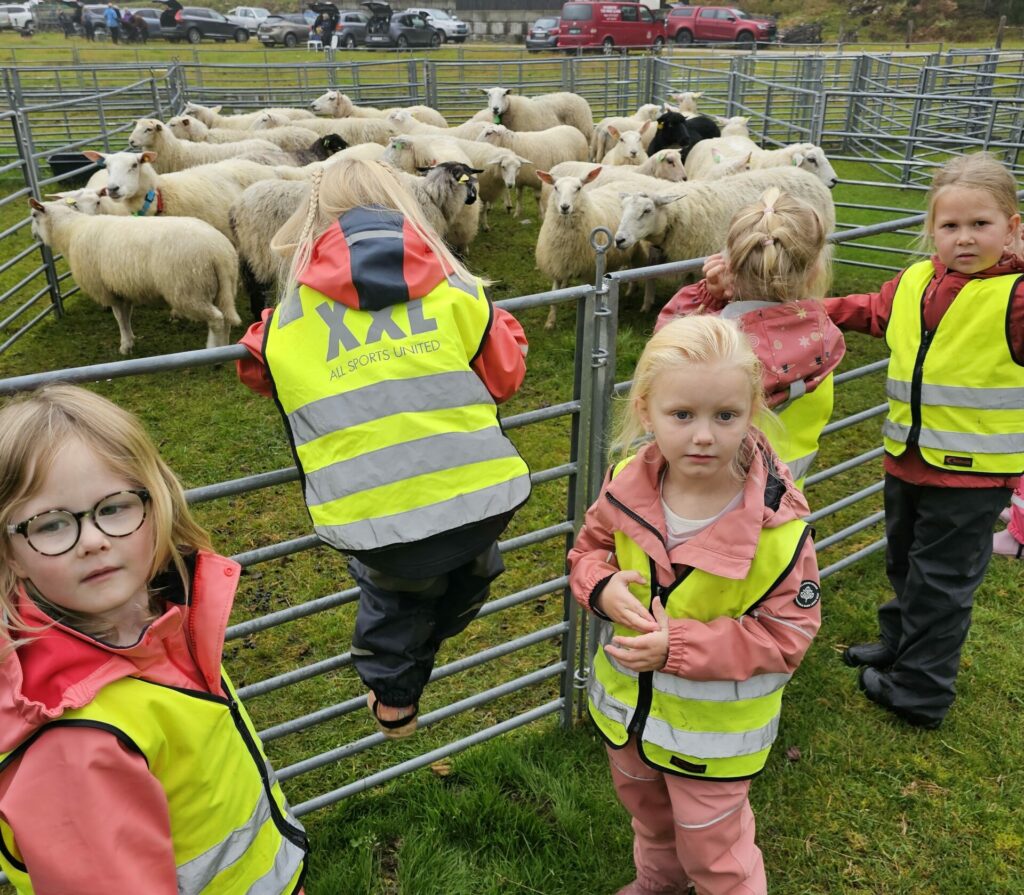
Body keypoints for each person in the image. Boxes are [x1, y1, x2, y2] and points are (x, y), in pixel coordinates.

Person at [237, 159, 532, 738]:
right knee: (464, 569)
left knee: (397, 596)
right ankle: (409, 673)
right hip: (479, 500)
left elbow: (256, 368)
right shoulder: (457, 294)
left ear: (310, 220)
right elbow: (506, 373)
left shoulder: (285, 322)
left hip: (373, 516)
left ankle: (394, 697)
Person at [0, 385, 308, 894]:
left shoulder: (163, 625)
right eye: (51, 524)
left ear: (155, 502)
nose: (95, 540)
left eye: (115, 508)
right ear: (10, 552)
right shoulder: (75, 749)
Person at [568, 315, 821, 895]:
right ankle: (658, 883)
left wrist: (676, 646)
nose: (703, 436)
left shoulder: (778, 532)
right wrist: (600, 586)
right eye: (682, 416)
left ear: (752, 411)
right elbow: (589, 550)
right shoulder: (626, 483)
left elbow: (788, 634)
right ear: (646, 411)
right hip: (631, 714)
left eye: (725, 416)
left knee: (715, 846)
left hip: (714, 736)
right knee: (651, 819)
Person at [825, 151, 1024, 729]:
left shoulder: (1015, 298)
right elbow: (868, 310)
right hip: (908, 459)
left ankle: (919, 693)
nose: (964, 238)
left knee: (942, 584)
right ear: (932, 229)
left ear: (1012, 228)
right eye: (950, 225)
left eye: (981, 225)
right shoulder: (916, 279)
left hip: (972, 476)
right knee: (906, 561)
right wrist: (804, 308)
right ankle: (898, 645)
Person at [656, 187, 846, 489]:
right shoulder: (825, 342)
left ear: (730, 266)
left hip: (705, 507)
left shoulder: (716, 348)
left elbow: (665, 347)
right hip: (782, 509)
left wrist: (705, 295)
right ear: (815, 272)